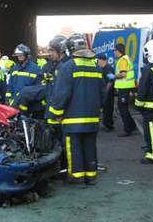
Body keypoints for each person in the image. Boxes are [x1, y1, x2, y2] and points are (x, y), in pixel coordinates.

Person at [48, 33, 105, 186]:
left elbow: (61, 95)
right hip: (92, 118)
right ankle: (91, 175)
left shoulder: (68, 67)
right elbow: (103, 94)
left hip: (72, 119)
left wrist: (55, 114)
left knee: (74, 148)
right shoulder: (96, 67)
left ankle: (77, 177)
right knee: (89, 146)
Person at [17, 36, 68, 119]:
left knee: (26, 92)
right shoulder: (49, 66)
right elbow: (40, 80)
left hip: (54, 107)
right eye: (49, 51)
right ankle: (22, 119)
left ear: (61, 51)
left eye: (52, 51)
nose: (49, 54)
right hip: (46, 100)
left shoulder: (67, 66)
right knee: (25, 93)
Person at [114, 43, 137, 136]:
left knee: (122, 109)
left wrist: (114, 77)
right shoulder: (125, 59)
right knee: (124, 108)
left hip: (124, 88)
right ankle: (132, 125)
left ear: (118, 51)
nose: (114, 52)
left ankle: (127, 129)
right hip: (126, 88)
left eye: (114, 50)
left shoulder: (123, 60)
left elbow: (123, 74)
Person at [96, 53, 115, 132]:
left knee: (108, 109)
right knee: (105, 109)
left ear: (101, 60)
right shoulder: (102, 68)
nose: (97, 63)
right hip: (104, 92)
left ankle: (109, 125)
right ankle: (107, 123)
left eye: (98, 61)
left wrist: (106, 91)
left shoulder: (108, 68)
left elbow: (111, 80)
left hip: (108, 92)